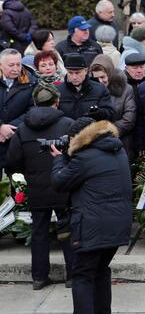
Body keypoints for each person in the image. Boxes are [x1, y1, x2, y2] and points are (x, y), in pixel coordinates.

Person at [51, 117, 132, 314]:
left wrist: (59, 159)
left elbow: (60, 182)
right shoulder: (117, 149)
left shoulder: (84, 157)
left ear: (79, 138)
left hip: (92, 226)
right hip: (117, 225)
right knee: (101, 271)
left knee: (82, 275)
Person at [5, 83, 75, 290]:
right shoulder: (69, 124)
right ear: (57, 102)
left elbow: (12, 162)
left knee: (39, 232)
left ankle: (39, 277)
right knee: (68, 229)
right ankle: (73, 275)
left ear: (35, 103)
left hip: (37, 188)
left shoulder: (23, 128)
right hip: (63, 186)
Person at [89, 55, 137, 164]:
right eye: (96, 78)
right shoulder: (90, 90)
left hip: (120, 142)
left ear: (109, 74)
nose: (100, 81)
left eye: (102, 77)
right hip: (94, 144)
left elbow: (129, 119)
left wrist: (107, 132)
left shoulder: (125, 90)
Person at [0, 49, 35, 167]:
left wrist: (10, 128)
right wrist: (0, 127)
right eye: (11, 65)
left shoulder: (31, 82)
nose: (16, 68)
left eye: (18, 64)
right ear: (0, 65)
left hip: (17, 140)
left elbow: (33, 110)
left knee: (18, 181)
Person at [57, 53, 114, 121]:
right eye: (70, 73)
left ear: (86, 71)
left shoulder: (100, 89)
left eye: (77, 73)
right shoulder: (58, 90)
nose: (74, 77)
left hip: (91, 130)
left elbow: (110, 113)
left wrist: (99, 113)